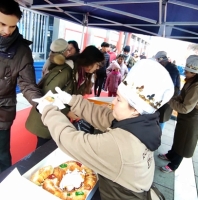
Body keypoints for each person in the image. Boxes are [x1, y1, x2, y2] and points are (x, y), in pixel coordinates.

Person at [37, 59, 174, 199]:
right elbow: (104, 116)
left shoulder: (121, 145)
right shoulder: (145, 124)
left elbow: (72, 141)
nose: (113, 102)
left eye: (119, 100)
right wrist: (72, 100)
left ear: (135, 110)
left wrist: (48, 110)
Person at [25, 44, 104, 148]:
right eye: (97, 64)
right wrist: (67, 112)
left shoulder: (81, 74)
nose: (98, 68)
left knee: (51, 148)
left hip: (56, 118)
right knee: (42, 151)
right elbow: (47, 96)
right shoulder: (66, 71)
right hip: (45, 117)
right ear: (90, 61)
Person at [0, 0, 43, 173]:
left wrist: (42, 103)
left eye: (12, 26)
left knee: (2, 156)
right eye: (2, 24)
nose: (7, 31)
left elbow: (27, 85)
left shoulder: (22, 50)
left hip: (2, 112)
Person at [159, 55, 198, 173]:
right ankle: (171, 154)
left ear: (195, 73)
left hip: (193, 117)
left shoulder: (197, 86)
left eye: (188, 72)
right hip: (186, 116)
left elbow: (185, 108)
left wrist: (169, 101)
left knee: (184, 142)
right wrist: (173, 98)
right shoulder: (191, 81)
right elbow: (181, 96)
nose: (185, 73)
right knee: (178, 137)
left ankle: (174, 164)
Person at [155, 51, 180, 130]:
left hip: (169, 96)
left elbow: (170, 84)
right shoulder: (165, 67)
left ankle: (158, 135)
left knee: (163, 116)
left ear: (162, 60)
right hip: (163, 95)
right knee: (158, 115)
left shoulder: (172, 69)